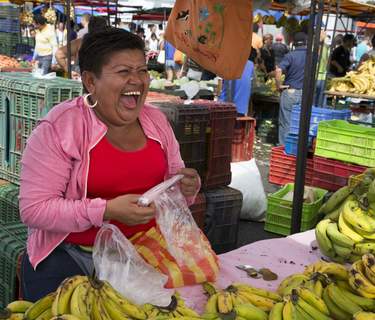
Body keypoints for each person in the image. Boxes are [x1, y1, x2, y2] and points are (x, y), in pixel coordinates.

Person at [19, 27, 201, 301]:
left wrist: (186, 188)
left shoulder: (157, 122)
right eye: (124, 72)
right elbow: (34, 210)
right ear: (91, 81)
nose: (137, 81)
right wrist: (106, 210)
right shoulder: (61, 127)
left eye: (142, 70)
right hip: (71, 255)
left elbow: (171, 190)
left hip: (144, 253)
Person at [275, 32, 307, 145]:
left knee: (286, 122)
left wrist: (278, 85)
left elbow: (278, 70)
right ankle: (296, 148)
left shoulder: (290, 55)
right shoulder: (311, 56)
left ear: (294, 42)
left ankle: (284, 149)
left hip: (290, 92)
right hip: (305, 93)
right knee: (299, 123)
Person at [219, 48, 257, 116]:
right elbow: (254, 85)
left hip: (225, 105)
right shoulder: (250, 64)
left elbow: (224, 84)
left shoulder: (228, 62)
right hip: (241, 107)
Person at [315, 31, 330, 107]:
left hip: (317, 76)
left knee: (313, 101)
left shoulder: (315, 46)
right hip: (321, 77)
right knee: (320, 102)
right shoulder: (326, 47)